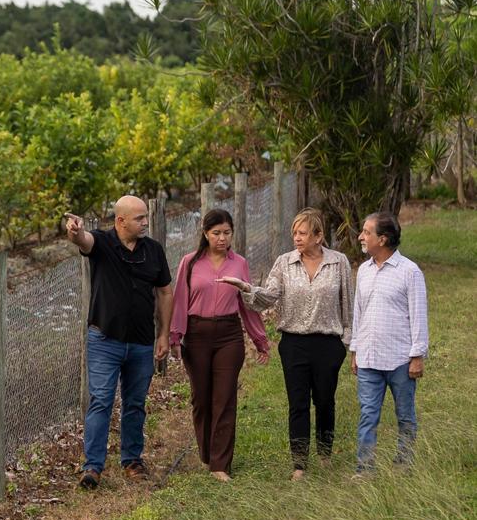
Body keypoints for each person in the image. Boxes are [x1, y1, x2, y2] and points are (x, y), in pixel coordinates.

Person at [219, 207, 353, 481]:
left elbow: (349, 307)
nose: (296, 238)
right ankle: (299, 464)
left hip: (329, 343)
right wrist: (245, 288)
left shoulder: (339, 263)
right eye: (294, 232)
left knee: (325, 400)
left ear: (318, 236)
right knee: (298, 403)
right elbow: (268, 297)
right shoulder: (284, 262)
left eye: (302, 233)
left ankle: (325, 454)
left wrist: (347, 343)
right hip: (294, 344)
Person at [65, 196, 173, 488]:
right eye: (139, 218)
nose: (145, 222)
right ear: (120, 221)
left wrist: (163, 334)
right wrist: (75, 233)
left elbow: (164, 292)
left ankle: (132, 460)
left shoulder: (153, 251)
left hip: (141, 341)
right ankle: (93, 467)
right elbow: (84, 241)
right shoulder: (103, 244)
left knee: (135, 402)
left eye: (146, 217)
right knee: (101, 400)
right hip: (105, 340)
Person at [170, 209, 270, 482]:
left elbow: (247, 305)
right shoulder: (189, 263)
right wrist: (175, 337)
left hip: (229, 335)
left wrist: (259, 339)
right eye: (216, 233)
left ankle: (219, 464)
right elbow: (179, 301)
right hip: (197, 334)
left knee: (224, 398)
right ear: (205, 234)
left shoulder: (240, 264)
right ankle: (207, 453)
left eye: (227, 233)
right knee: (201, 399)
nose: (222, 238)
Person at [350, 211, 428, 475]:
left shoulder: (410, 272)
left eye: (366, 232)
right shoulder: (363, 271)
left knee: (405, 416)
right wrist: (355, 350)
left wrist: (417, 355)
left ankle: (403, 465)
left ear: (382, 239)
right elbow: (358, 312)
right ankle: (364, 469)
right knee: (367, 415)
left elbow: (418, 315)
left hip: (400, 360)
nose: (361, 236)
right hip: (369, 358)